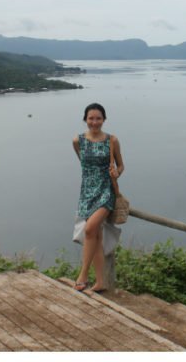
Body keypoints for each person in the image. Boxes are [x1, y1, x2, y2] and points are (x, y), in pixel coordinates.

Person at [72, 102, 123, 292]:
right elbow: (84, 164)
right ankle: (100, 282)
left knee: (89, 229)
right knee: (96, 236)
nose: (94, 122)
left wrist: (116, 173)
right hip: (86, 192)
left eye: (98, 118)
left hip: (105, 192)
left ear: (104, 119)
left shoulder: (112, 141)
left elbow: (121, 165)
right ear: (85, 119)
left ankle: (83, 275)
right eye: (91, 118)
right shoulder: (78, 141)